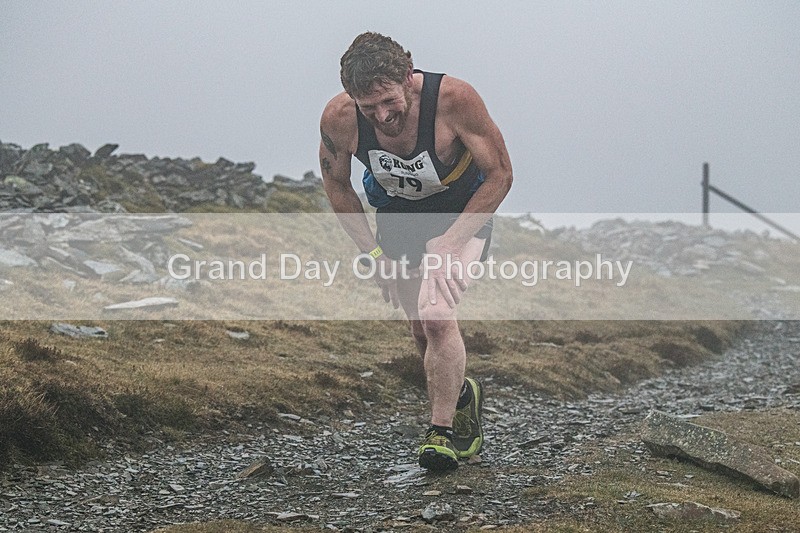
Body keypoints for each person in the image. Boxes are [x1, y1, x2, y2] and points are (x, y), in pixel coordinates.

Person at [318, 32, 513, 471]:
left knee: (437, 316)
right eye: (370, 109)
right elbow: (337, 185)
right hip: (398, 219)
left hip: (462, 215)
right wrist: (373, 254)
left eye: (389, 101)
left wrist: (449, 242)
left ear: (409, 76)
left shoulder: (455, 99)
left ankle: (441, 433)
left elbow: (500, 174)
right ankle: (462, 394)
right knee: (421, 332)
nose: (383, 116)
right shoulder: (340, 118)